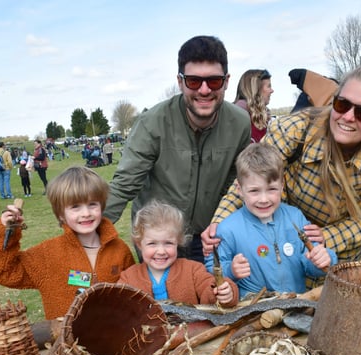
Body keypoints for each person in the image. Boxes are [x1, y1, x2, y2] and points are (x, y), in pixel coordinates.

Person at [202, 63, 361, 264]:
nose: (348, 117)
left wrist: (327, 237)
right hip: (278, 257)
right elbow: (248, 180)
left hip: (334, 267)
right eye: (342, 104)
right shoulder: (296, 131)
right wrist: (219, 225)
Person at [103, 35, 251, 263]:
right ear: (180, 81)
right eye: (193, 81)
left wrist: (221, 224)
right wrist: (90, 235)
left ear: (227, 81)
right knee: (159, 298)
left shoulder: (240, 123)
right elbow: (124, 186)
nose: (204, 90)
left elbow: (234, 184)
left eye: (214, 81)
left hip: (207, 237)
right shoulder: (152, 122)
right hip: (158, 237)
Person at [0, 166, 135, 320]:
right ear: (61, 214)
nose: (86, 213)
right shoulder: (48, 255)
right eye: (75, 206)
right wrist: (7, 231)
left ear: (102, 206)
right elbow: (3, 272)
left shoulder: (119, 250)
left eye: (92, 204)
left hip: (114, 339)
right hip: (67, 342)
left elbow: (134, 294)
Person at [205, 143, 336, 298]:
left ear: (282, 186)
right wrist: (231, 271)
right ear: (239, 190)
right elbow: (212, 268)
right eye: (254, 191)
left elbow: (310, 263)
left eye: (271, 189)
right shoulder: (228, 228)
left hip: (295, 306)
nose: (264, 199)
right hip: (251, 310)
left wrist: (323, 259)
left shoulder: (295, 217)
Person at [119, 200, 238, 307]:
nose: (161, 251)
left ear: (178, 241)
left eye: (168, 243)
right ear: (139, 244)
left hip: (191, 331)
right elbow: (115, 304)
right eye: (152, 244)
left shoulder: (193, 270)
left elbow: (210, 289)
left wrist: (225, 292)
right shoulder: (128, 278)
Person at [234, 69, 274, 143]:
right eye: (269, 86)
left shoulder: (261, 117)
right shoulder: (236, 118)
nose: (272, 90)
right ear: (256, 89)